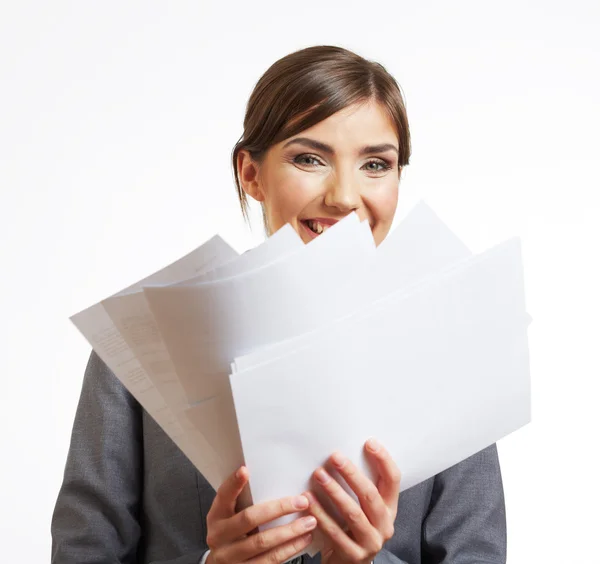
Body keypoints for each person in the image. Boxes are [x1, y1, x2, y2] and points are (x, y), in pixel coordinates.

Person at [51, 45, 506, 564]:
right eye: (309, 158)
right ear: (251, 174)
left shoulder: (450, 356)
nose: (345, 196)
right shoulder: (141, 340)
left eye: (376, 164)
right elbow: (81, 553)